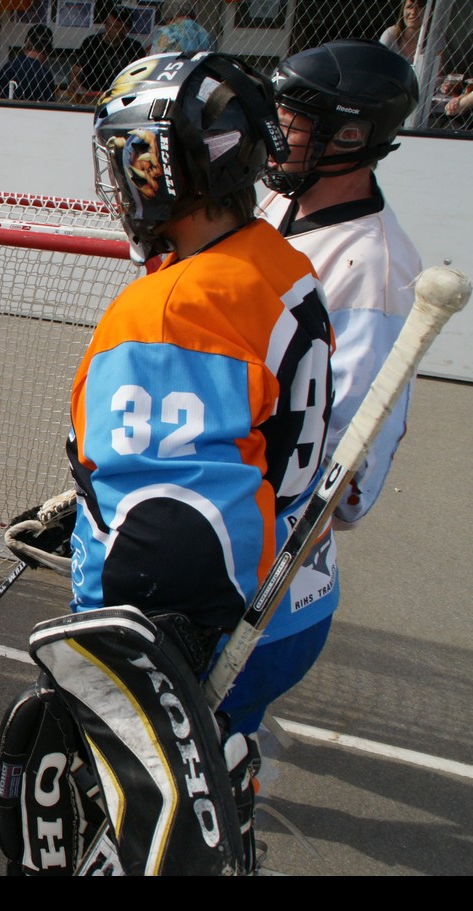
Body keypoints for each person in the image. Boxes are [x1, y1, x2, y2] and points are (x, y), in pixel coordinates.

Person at [0, 51, 331, 877]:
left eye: (126, 157)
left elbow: (174, 542)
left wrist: (122, 635)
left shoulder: (170, 307)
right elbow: (232, 454)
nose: (118, 181)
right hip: (290, 603)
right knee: (219, 802)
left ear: (164, 164)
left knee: (149, 837)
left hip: (199, 639)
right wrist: (90, 499)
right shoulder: (273, 261)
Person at [226, 40, 423, 737]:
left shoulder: (373, 264)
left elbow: (353, 434)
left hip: (274, 518)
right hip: (238, 481)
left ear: (351, 136)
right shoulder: (280, 199)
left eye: (297, 119)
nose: (278, 130)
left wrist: (302, 517)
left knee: (224, 704)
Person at [67, 4, 145, 101]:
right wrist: (74, 80)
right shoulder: (91, 42)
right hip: (91, 95)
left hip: (119, 96)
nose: (110, 29)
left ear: (126, 29)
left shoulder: (134, 48)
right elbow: (76, 68)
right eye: (108, 24)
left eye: (116, 27)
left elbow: (141, 75)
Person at [0, 24, 54, 102]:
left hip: (9, 109)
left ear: (26, 43)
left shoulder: (11, 66)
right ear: (48, 49)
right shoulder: (45, 74)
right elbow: (48, 104)